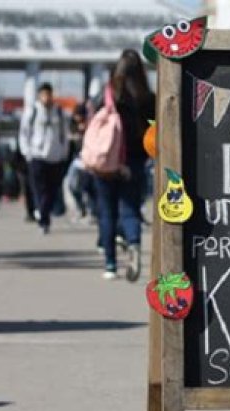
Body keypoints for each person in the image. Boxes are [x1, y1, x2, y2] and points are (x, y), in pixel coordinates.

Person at [93, 49, 154, 281]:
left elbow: (93, 124)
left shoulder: (108, 95)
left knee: (107, 212)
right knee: (130, 210)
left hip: (106, 161)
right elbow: (153, 130)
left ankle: (110, 264)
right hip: (135, 162)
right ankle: (134, 245)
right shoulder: (147, 98)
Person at [18, 82, 68, 234]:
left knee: (52, 190)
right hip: (37, 156)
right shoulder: (32, 112)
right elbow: (24, 133)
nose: (46, 98)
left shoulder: (59, 112)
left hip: (55, 157)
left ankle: (43, 213)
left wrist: (64, 152)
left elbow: (64, 134)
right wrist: (27, 152)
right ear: (39, 96)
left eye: (49, 94)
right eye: (44, 95)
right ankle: (43, 219)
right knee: (40, 189)